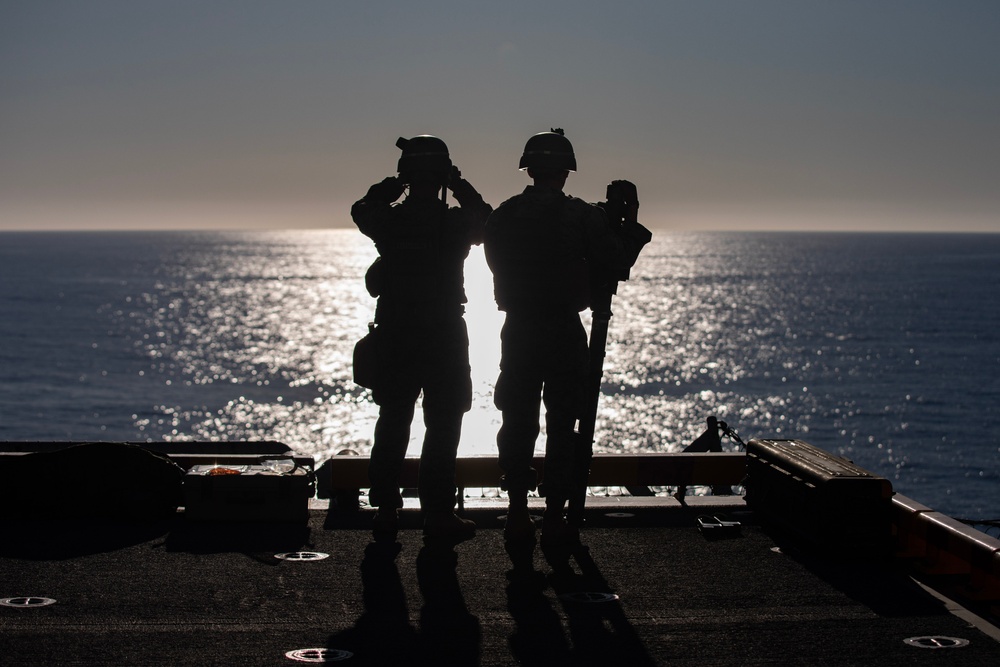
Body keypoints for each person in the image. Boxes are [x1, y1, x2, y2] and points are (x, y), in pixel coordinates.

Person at [484, 129, 651, 546]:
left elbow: (494, 261)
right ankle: (555, 515)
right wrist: (628, 223)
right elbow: (614, 260)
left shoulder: (505, 214)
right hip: (561, 329)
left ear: (529, 167)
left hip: (519, 330)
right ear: (565, 171)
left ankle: (518, 513)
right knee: (563, 423)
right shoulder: (580, 216)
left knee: (518, 420)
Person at [352, 135, 492, 542]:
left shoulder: (390, 221)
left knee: (393, 418)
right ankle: (437, 513)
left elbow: (362, 209)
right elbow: (484, 216)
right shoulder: (454, 222)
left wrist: (390, 187)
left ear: (407, 176)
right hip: (444, 333)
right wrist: (459, 184)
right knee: (444, 423)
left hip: (397, 331)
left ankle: (385, 510)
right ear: (443, 176)